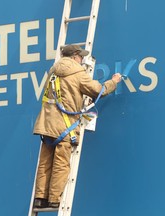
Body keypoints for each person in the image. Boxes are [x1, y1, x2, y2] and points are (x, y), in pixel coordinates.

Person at [32, 44, 122, 208]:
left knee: (45, 162)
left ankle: (39, 198)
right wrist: (113, 82)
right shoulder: (78, 74)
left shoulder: (53, 71)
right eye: (81, 56)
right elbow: (98, 91)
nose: (82, 59)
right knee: (61, 163)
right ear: (74, 56)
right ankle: (53, 199)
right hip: (63, 126)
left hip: (46, 124)